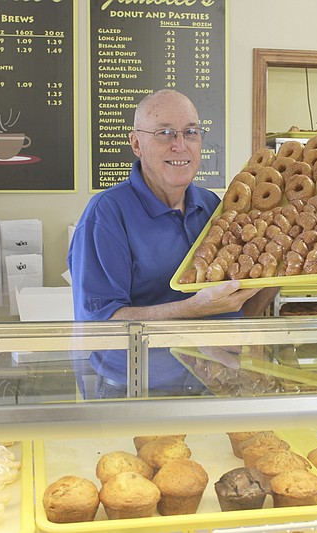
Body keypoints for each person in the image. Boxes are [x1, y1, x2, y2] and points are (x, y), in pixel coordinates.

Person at [68, 89, 276, 398]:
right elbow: (101, 325)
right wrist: (193, 308)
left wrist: (273, 277)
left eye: (190, 132)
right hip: (136, 390)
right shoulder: (107, 215)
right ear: (136, 143)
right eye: (165, 133)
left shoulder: (212, 208)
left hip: (211, 385)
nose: (180, 145)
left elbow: (240, 310)